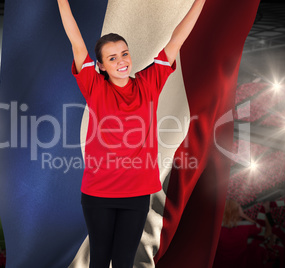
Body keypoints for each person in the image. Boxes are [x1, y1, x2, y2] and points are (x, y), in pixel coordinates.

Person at [57, 0, 206, 267]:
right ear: (100, 66)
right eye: (112, 58)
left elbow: (177, 39)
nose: (121, 61)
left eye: (124, 54)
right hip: (98, 193)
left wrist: (200, 2)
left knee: (125, 260)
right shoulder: (94, 87)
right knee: (99, 260)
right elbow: (76, 41)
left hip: (137, 194)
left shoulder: (150, 82)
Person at [213, 200, 265, 268]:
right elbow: (260, 228)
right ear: (237, 212)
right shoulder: (245, 227)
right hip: (239, 264)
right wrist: (243, 215)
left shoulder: (216, 229)